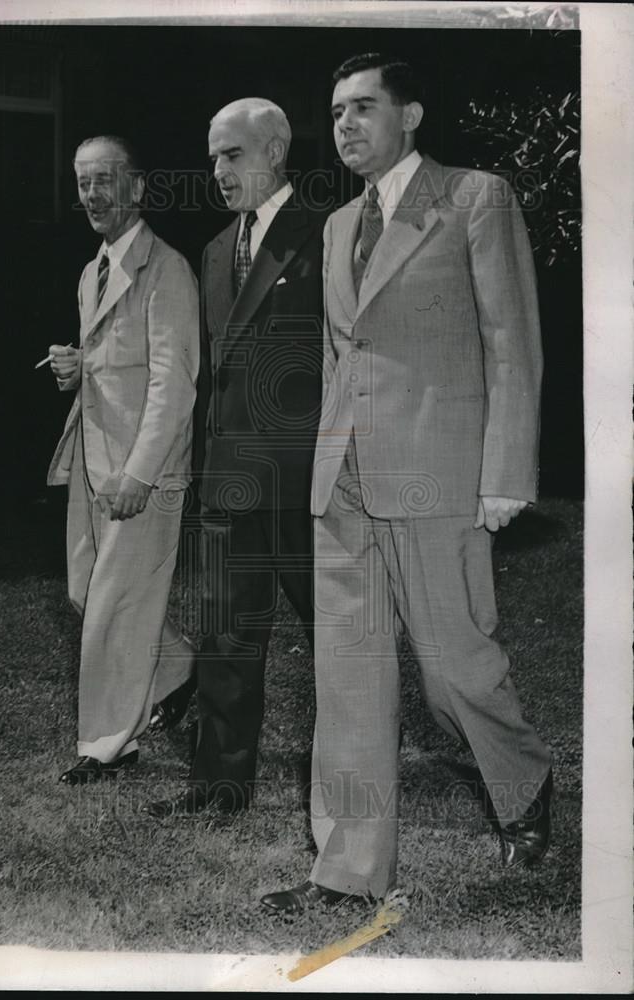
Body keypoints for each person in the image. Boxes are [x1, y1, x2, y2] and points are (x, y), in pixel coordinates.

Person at [261, 53, 553, 914]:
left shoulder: (473, 197)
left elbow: (512, 341)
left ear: (410, 113)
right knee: (347, 677)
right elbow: (336, 351)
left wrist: (505, 473)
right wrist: (320, 460)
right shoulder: (336, 222)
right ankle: (347, 869)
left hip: (438, 473)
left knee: (451, 670)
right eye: (336, 111)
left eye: (363, 107)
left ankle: (522, 776)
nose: (346, 125)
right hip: (343, 476)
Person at [145, 98, 324, 817]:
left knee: (335, 644)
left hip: (309, 485)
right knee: (223, 639)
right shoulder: (217, 248)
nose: (217, 170)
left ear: (275, 149)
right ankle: (219, 786)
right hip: (229, 484)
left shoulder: (328, 233)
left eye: (232, 154)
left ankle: (345, 790)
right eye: (213, 156)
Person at [48, 135, 199, 785]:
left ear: (138, 188)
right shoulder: (94, 270)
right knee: (86, 590)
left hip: (143, 467)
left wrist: (141, 474)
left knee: (112, 603)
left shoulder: (167, 269)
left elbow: (174, 383)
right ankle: (177, 671)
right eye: (83, 182)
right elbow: (118, 361)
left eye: (105, 179)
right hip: (93, 456)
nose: (92, 194)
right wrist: (78, 368)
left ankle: (110, 743)